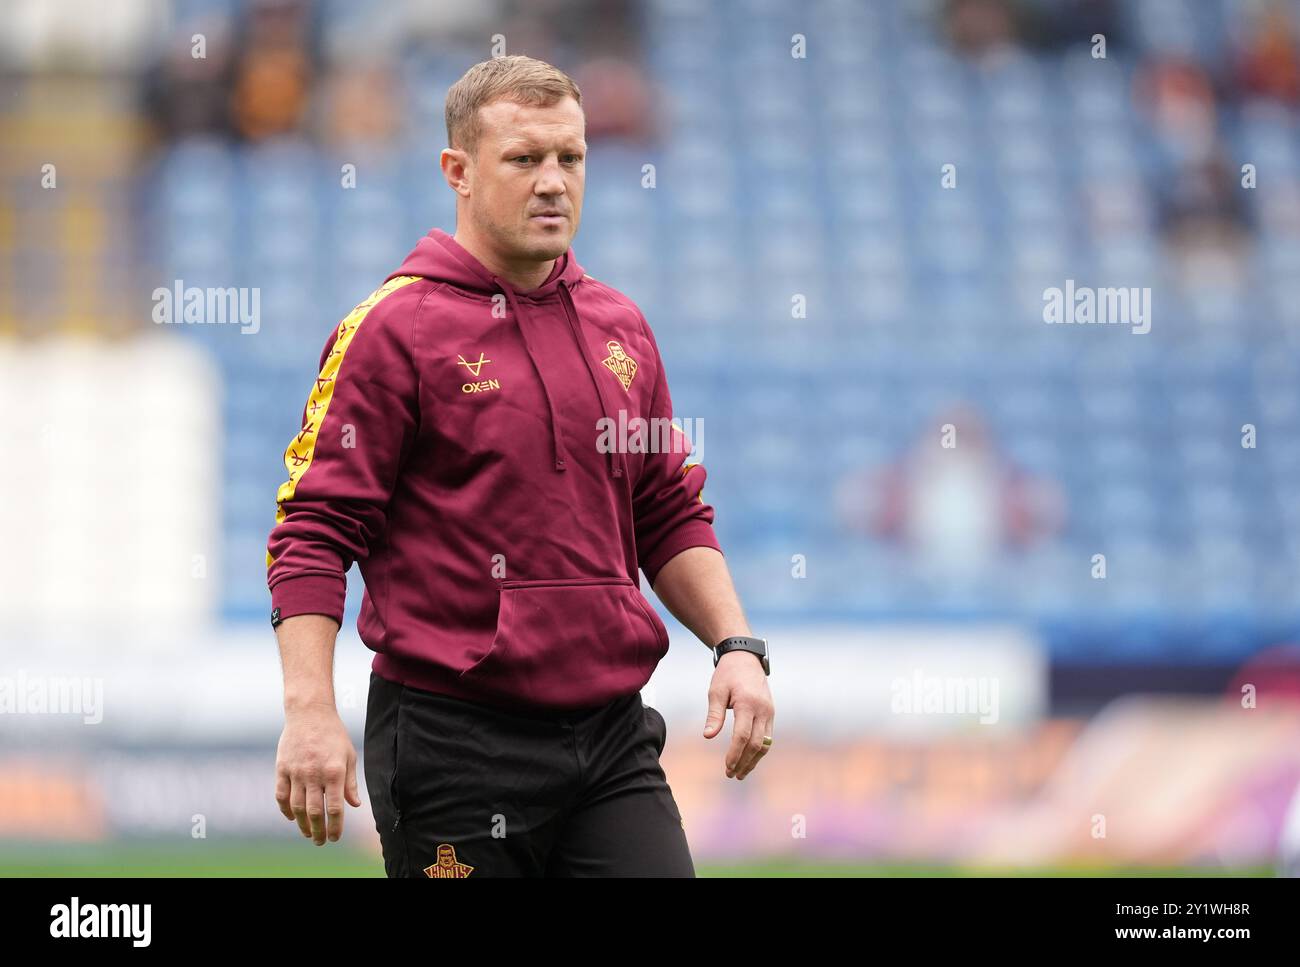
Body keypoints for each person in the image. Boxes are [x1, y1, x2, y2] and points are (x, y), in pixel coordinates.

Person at [265, 55, 774, 877]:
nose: (552, 182)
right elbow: (313, 532)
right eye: (524, 159)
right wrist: (310, 710)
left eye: (569, 158)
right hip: (452, 745)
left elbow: (668, 511)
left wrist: (736, 644)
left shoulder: (622, 327)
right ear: (457, 172)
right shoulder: (393, 330)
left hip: (611, 738)